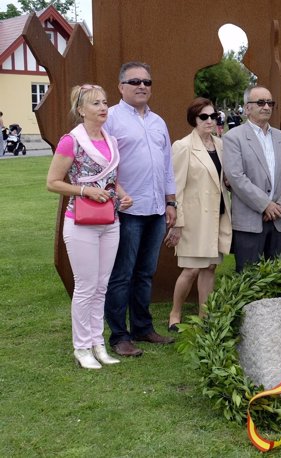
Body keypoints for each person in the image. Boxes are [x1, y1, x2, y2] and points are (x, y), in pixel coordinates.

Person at [46, 84, 133, 369]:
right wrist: (85, 191)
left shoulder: (111, 140)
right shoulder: (70, 141)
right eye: (95, 103)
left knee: (101, 286)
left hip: (109, 220)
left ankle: (98, 343)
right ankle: (81, 347)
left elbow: (108, 178)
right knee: (85, 287)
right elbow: (53, 182)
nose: (103, 107)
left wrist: (121, 194)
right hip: (80, 222)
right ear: (81, 110)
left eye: (105, 102)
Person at [103, 61, 177, 357]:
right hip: (127, 211)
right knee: (122, 274)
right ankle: (119, 335)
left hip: (157, 209)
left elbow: (167, 165)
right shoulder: (110, 119)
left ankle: (143, 328)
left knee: (145, 273)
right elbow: (101, 163)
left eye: (147, 82)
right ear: (121, 87)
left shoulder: (159, 122)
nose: (142, 86)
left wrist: (171, 202)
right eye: (134, 82)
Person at [165, 98, 232, 331]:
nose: (210, 121)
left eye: (214, 116)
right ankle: (175, 314)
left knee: (210, 267)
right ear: (194, 119)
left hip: (216, 216)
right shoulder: (182, 146)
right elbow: (176, 187)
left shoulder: (220, 144)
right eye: (204, 117)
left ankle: (205, 316)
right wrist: (177, 223)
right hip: (194, 219)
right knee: (191, 269)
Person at [223, 86, 281, 271]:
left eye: (270, 103)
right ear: (247, 108)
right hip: (249, 222)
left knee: (280, 279)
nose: (266, 107)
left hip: (280, 220)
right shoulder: (233, 138)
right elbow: (236, 177)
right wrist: (265, 205)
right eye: (260, 102)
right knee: (249, 279)